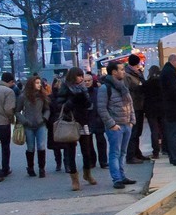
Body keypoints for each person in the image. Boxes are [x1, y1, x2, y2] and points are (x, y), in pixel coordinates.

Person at [95, 61, 137, 189]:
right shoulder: (105, 88)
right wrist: (112, 124)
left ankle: (122, 176)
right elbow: (102, 109)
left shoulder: (123, 86)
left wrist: (131, 121)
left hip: (126, 124)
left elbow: (130, 104)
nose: (123, 72)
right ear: (114, 72)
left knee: (122, 152)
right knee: (115, 153)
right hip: (116, 126)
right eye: (121, 70)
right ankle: (117, 179)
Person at [55, 67, 98, 191]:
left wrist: (85, 100)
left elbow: (89, 103)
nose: (81, 78)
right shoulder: (65, 87)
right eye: (78, 76)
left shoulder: (83, 87)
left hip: (83, 121)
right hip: (71, 122)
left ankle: (87, 173)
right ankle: (74, 178)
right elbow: (59, 105)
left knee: (87, 150)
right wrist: (72, 101)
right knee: (71, 151)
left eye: (81, 76)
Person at [18, 75, 50, 178]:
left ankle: (42, 168)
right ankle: (30, 167)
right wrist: (24, 121)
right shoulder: (23, 96)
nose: (39, 85)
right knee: (30, 147)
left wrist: (45, 118)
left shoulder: (42, 96)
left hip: (40, 124)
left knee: (41, 146)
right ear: (31, 84)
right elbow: (17, 111)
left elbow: (47, 109)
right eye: (37, 83)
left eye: (39, 83)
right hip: (29, 125)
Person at [124, 54, 149, 163]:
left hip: (139, 105)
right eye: (137, 63)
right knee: (133, 132)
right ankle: (131, 155)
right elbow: (129, 90)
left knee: (138, 131)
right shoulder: (127, 75)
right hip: (133, 105)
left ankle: (137, 152)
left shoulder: (137, 73)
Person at [143, 64, 165, 159]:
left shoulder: (147, 83)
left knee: (154, 131)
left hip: (151, 110)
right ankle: (165, 149)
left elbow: (142, 92)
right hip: (162, 108)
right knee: (163, 130)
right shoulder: (162, 82)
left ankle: (155, 152)